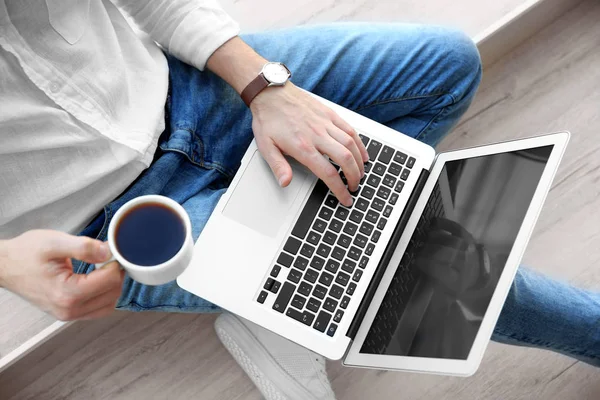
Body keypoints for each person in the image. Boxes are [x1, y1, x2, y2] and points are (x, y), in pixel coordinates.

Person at [1, 2, 599, 399]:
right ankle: (294, 282)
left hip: (180, 91)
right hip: (101, 225)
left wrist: (264, 88)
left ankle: (280, 290)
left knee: (443, 69)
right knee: (410, 268)